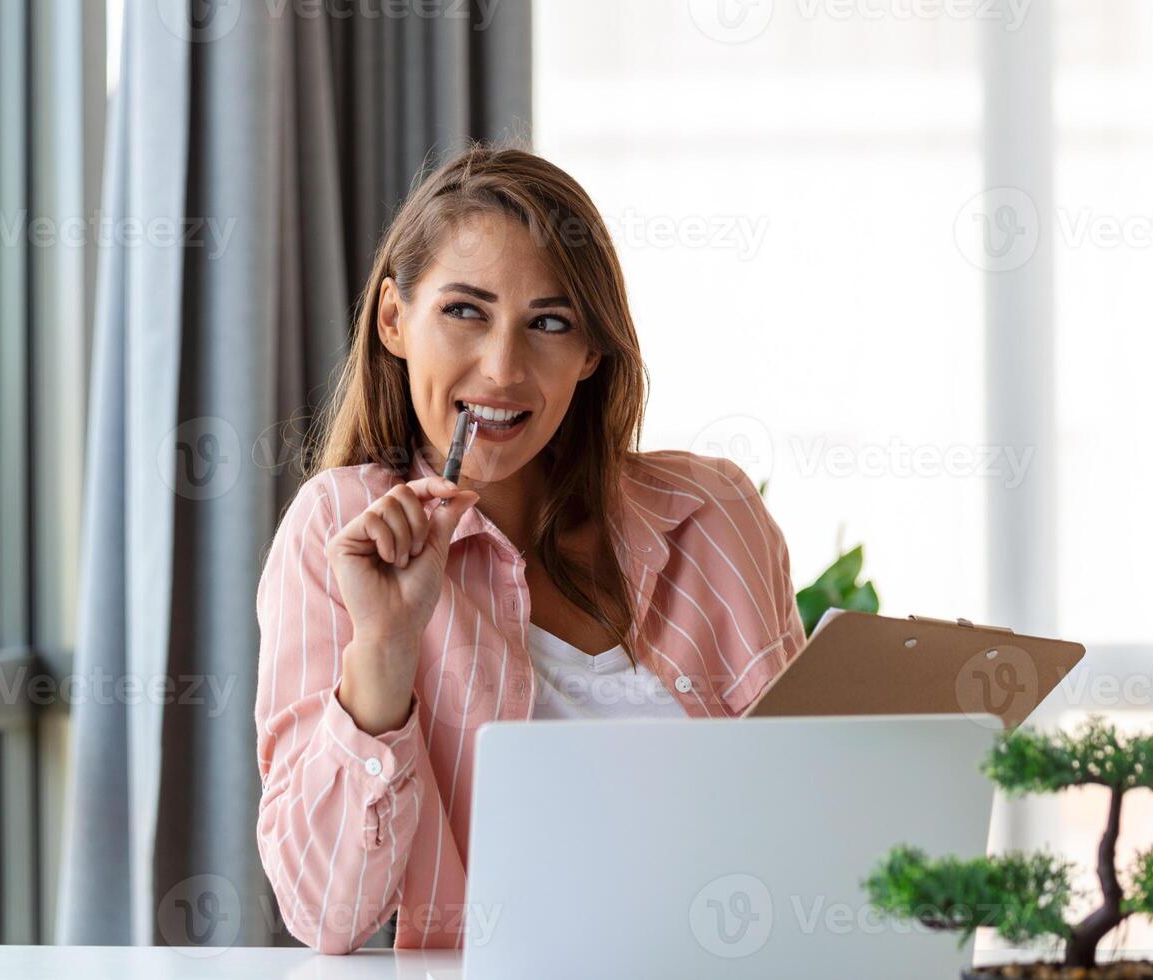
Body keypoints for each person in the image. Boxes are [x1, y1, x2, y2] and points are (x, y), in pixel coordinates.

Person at [254, 143, 806, 953]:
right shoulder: (337, 530)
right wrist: (384, 645)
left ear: (591, 354)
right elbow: (325, 915)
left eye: (549, 323)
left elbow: (807, 807)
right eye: (465, 312)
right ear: (394, 319)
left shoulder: (714, 515)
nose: (503, 369)